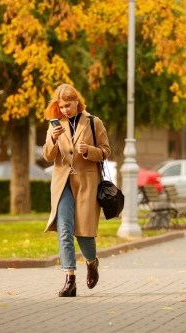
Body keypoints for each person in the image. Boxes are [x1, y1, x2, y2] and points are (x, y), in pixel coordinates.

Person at [42, 84, 111, 297]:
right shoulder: (55, 126)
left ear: (77, 102)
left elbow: (106, 151)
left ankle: (91, 262)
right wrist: (53, 138)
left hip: (86, 184)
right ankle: (70, 279)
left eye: (68, 105)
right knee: (64, 230)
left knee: (84, 234)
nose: (64, 110)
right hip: (63, 184)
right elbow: (47, 155)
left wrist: (89, 151)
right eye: (61, 106)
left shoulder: (93, 122)